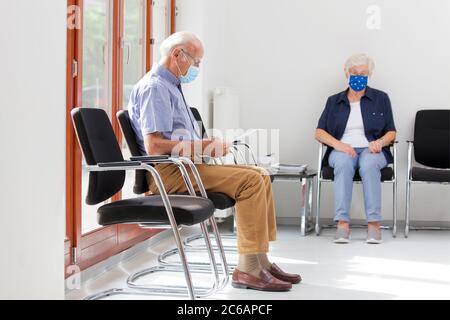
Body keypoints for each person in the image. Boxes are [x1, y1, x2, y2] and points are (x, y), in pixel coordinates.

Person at [128, 31, 301, 291]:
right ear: (177, 54)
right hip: (170, 174)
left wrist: (206, 146)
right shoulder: (156, 88)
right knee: (251, 181)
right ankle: (248, 269)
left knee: (260, 174)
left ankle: (260, 261)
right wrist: (204, 146)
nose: (196, 68)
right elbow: (154, 145)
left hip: (188, 168)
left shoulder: (171, 86)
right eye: (196, 62)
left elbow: (180, 140)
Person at [315, 53, 396, 244]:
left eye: (363, 73)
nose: (358, 76)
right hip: (342, 149)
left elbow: (392, 132)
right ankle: (342, 223)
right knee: (342, 163)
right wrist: (339, 145)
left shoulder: (381, 98)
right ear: (346, 73)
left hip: (372, 150)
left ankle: (374, 225)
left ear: (369, 76)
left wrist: (380, 142)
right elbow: (319, 132)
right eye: (354, 73)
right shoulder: (334, 101)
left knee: (368, 164)